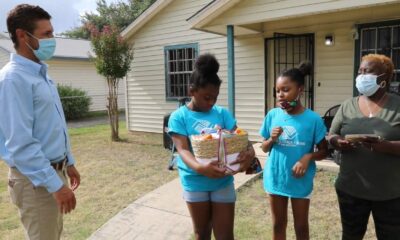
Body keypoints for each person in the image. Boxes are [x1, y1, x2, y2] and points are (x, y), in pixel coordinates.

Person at [0, 4, 80, 240]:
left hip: (54, 171)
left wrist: (69, 161)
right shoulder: (13, 80)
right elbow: (21, 144)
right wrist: (56, 185)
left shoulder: (41, 74)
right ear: (22, 35)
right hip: (34, 181)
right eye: (46, 34)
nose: (52, 39)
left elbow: (54, 125)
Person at [168, 53, 255, 240]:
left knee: (225, 236)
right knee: (202, 233)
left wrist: (250, 152)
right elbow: (182, 149)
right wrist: (201, 168)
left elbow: (240, 138)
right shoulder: (179, 117)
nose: (211, 102)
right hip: (195, 182)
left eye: (215, 98)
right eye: (207, 97)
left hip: (222, 181)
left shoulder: (222, 113)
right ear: (192, 91)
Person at [328, 54, 400, 240]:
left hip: (390, 194)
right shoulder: (347, 106)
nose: (361, 76)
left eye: (367, 71)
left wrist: (387, 146)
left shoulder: (398, 105)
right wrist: (339, 143)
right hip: (351, 190)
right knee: (351, 236)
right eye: (360, 71)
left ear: (384, 77)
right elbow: (331, 135)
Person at [259, 62, 328, 240]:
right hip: (276, 178)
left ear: (300, 90)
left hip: (300, 181)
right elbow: (264, 147)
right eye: (277, 90)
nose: (280, 95)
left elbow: (324, 151)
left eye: (286, 89)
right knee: (278, 225)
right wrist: (271, 139)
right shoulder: (273, 115)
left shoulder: (313, 119)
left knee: (301, 227)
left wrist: (307, 157)